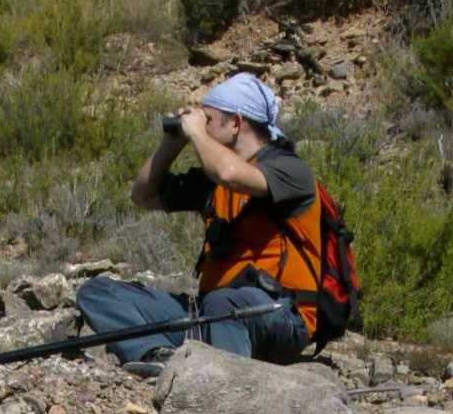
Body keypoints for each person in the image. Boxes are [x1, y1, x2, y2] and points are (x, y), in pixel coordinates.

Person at [76, 73, 321, 376]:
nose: (200, 124)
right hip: (212, 313)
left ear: (236, 123)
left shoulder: (289, 168)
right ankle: (158, 357)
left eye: (209, 118)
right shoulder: (210, 182)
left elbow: (231, 173)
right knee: (98, 291)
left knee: (223, 306)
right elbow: (142, 195)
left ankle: (221, 382)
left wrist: (197, 135)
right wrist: (172, 142)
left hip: (279, 315)